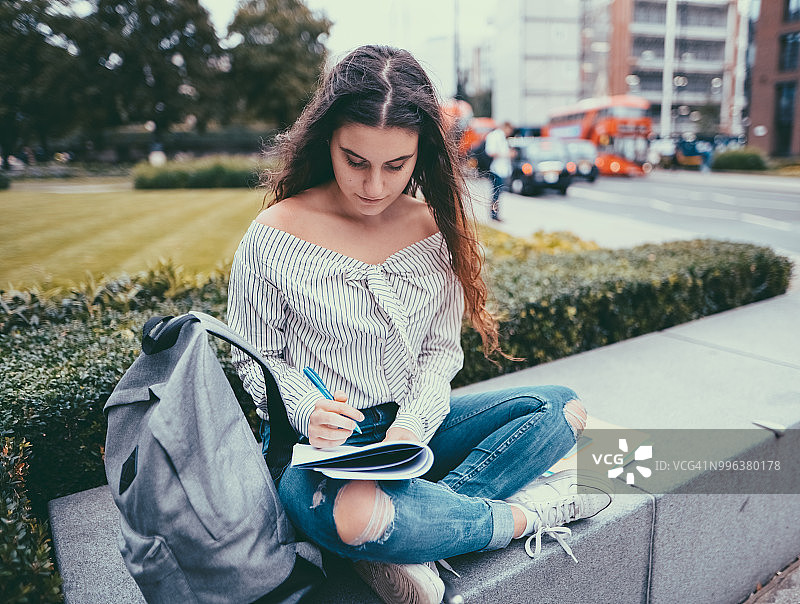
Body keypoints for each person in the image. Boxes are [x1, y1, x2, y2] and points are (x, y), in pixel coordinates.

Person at [227, 45, 611, 604]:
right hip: (326, 448)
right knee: (353, 517)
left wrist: (411, 429)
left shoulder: (434, 229)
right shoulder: (274, 232)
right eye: (355, 160)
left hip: (414, 430)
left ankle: (409, 533)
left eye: (395, 165)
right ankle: (517, 519)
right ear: (326, 139)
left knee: (559, 411)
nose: (374, 186)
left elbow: (438, 352)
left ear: (421, 152)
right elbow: (252, 355)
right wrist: (310, 409)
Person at [483, 121, 514, 221]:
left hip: (501, 169)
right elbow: (490, 152)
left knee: (497, 194)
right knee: (496, 194)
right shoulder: (495, 136)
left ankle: (495, 214)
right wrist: (506, 154)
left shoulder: (501, 137)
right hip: (497, 169)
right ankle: (494, 215)